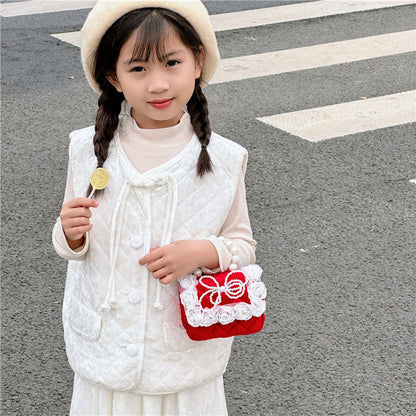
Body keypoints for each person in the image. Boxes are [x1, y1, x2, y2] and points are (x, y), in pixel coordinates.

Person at [52, 0, 256, 414]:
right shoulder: (85, 151)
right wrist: (70, 232)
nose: (158, 84)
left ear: (198, 62)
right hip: (106, 350)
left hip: (180, 355)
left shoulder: (225, 159)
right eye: (138, 69)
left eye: (172, 63)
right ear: (114, 77)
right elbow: (71, 242)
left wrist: (203, 252)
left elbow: (242, 242)